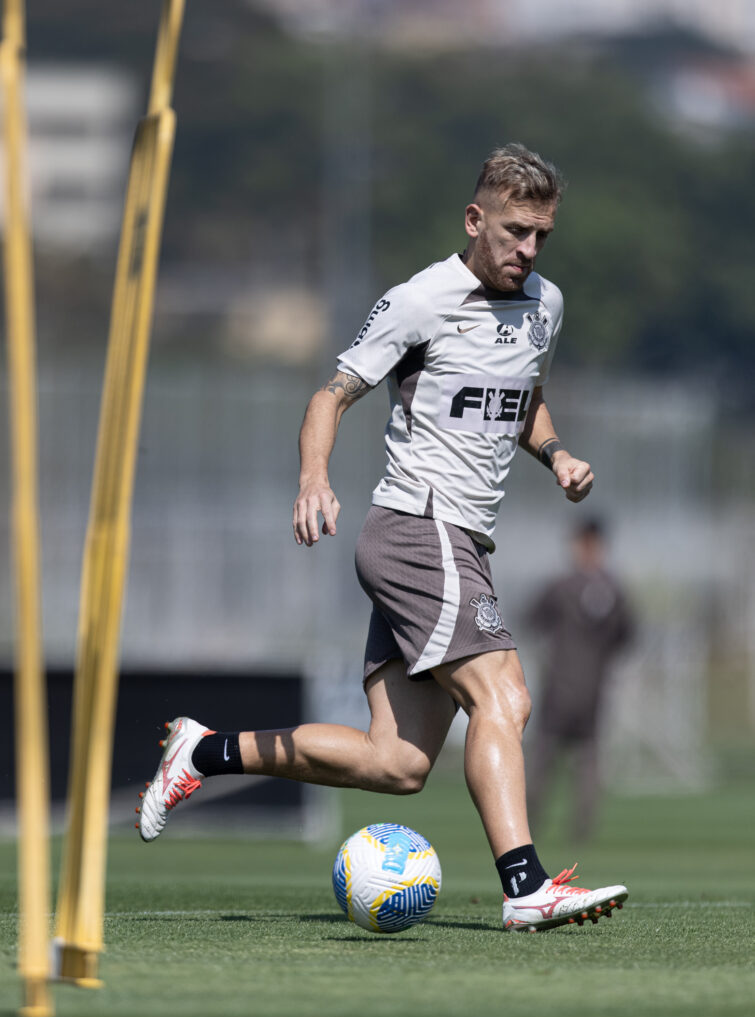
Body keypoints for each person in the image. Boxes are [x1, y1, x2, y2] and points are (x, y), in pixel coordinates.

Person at [137, 143, 628, 932]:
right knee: (504, 695)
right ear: (473, 220)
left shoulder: (545, 303)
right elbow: (329, 397)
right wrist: (313, 480)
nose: (526, 250)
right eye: (513, 231)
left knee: (396, 763)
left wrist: (557, 452)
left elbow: (523, 395)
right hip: (418, 529)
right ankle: (525, 886)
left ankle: (202, 753)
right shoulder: (419, 300)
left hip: (459, 543)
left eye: (540, 235)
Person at [525, 518, 634, 842]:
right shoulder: (614, 589)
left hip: (561, 685)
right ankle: (580, 829)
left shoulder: (561, 586)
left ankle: (528, 825)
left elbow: (533, 620)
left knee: (548, 756)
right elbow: (627, 635)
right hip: (592, 686)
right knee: (581, 758)